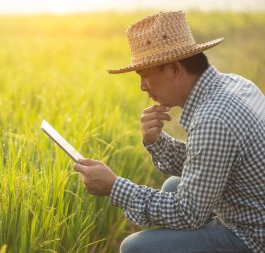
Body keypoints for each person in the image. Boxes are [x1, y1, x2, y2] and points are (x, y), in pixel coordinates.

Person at [73, 11, 265, 253]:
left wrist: (114, 187)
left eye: (144, 75)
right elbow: (210, 163)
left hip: (252, 235)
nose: (142, 87)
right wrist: (156, 142)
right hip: (249, 206)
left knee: (135, 247)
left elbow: (188, 213)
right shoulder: (234, 84)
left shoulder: (212, 119)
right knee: (174, 185)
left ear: (174, 69)